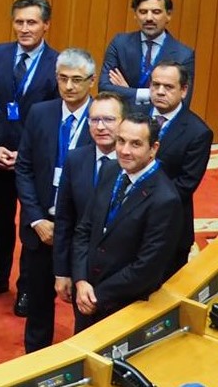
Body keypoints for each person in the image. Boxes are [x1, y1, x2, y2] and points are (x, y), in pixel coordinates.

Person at [0, 0, 59, 315]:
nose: (24, 29)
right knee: (0, 222)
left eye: (32, 22)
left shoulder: (56, 63)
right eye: (19, 22)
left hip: (34, 162)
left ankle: (27, 287)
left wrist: (23, 153)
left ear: (46, 26)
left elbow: (53, 119)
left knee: (31, 225)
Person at [13, 48, 95, 353]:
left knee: (83, 304)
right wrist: (36, 219)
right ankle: (35, 361)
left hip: (80, 232)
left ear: (91, 81)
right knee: (37, 303)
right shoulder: (40, 112)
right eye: (63, 79)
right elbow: (24, 168)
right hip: (40, 228)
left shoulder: (101, 120)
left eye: (77, 79)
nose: (70, 86)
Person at [70, 112, 182, 331]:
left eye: (136, 144)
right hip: (86, 294)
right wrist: (81, 280)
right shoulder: (111, 170)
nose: (124, 150)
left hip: (122, 308)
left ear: (154, 148)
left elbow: (146, 268)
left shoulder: (165, 199)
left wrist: (97, 296)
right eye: (121, 141)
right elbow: (85, 229)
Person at [52, 93, 127, 324]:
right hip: (82, 268)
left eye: (109, 119)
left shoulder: (134, 163)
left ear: (123, 122)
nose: (101, 127)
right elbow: (65, 220)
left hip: (121, 274)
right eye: (94, 120)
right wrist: (63, 271)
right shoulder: (75, 159)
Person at [146, 61, 214, 280]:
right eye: (155, 85)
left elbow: (185, 185)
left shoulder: (198, 132)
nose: (160, 91)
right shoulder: (133, 117)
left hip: (168, 227)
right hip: (124, 223)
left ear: (184, 90)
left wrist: (139, 200)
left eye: (168, 86)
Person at [99, 0, 196, 106]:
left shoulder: (184, 55)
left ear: (169, 15)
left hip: (156, 123)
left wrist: (128, 91)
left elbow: (181, 103)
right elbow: (104, 89)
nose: (149, 18)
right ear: (135, 15)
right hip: (121, 122)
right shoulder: (119, 44)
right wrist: (150, 95)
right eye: (143, 12)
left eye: (156, 12)